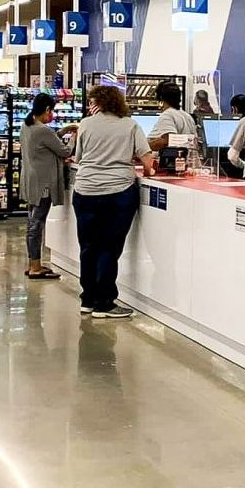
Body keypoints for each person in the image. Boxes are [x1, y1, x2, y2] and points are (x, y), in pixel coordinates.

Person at [71, 85, 155, 319]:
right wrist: (149, 171)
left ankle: (87, 299)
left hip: (85, 190)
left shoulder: (85, 124)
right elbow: (146, 159)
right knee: (109, 246)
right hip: (118, 191)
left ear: (98, 103)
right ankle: (105, 303)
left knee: (88, 247)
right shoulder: (130, 125)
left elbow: (79, 157)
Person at [20, 93, 76, 280]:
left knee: (32, 222)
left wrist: (63, 131)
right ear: (46, 109)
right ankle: (36, 267)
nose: (51, 115)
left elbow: (47, 141)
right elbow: (65, 151)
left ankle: (33, 263)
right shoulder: (42, 130)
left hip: (31, 181)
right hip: (44, 183)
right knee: (36, 224)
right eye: (51, 111)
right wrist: (74, 136)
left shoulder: (27, 126)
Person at [147, 83, 196, 151]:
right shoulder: (187, 116)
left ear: (160, 97)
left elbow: (167, 141)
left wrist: (143, 147)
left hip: (172, 159)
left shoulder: (167, 115)